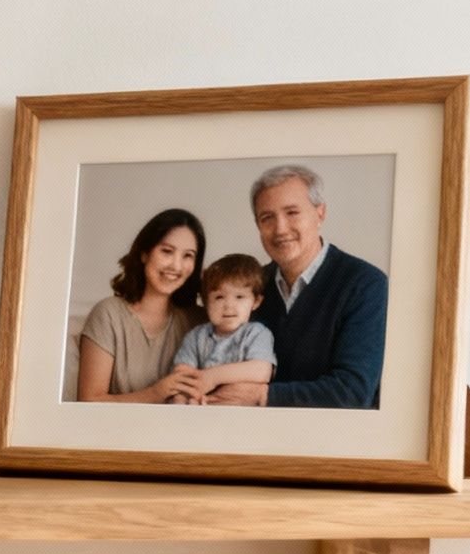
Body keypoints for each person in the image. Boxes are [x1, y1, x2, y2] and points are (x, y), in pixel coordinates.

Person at [206, 165, 387, 409]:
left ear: (320, 213)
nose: (280, 229)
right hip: (251, 430)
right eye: (267, 218)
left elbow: (353, 392)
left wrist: (263, 396)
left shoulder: (364, 284)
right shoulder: (250, 288)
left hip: (332, 433)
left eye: (292, 213)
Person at [76, 208, 207, 403]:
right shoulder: (108, 314)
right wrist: (156, 393)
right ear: (145, 253)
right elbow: (88, 401)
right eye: (167, 251)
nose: (176, 266)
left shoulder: (200, 321)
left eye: (188, 255)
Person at [165, 253, 276, 405]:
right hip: (201, 405)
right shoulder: (197, 336)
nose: (229, 305)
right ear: (205, 302)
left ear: (255, 301)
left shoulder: (256, 333)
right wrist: (186, 395)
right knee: (177, 399)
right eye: (219, 297)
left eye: (239, 297)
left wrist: (213, 377)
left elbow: (262, 371)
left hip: (242, 410)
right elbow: (182, 370)